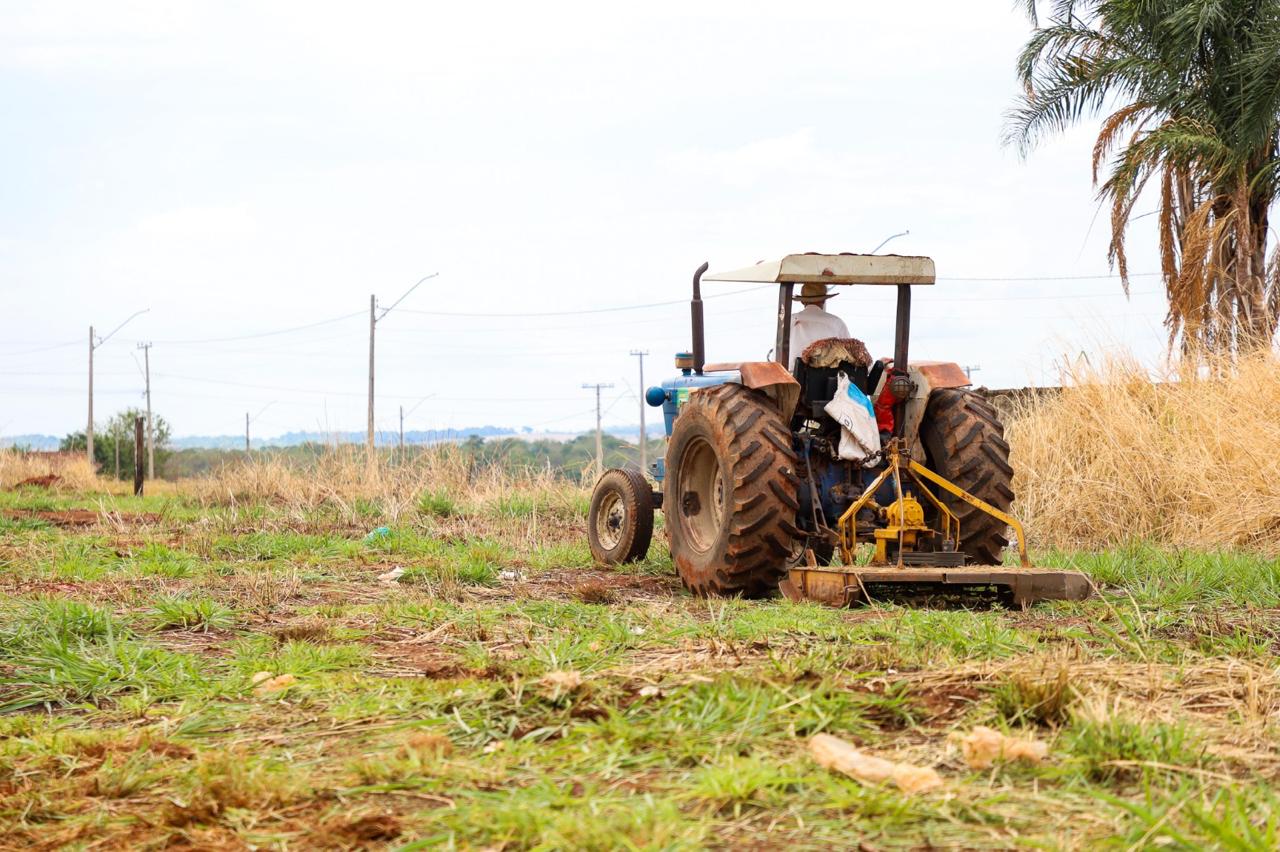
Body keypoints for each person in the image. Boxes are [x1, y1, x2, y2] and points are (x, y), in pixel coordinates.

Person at [787, 283, 850, 367]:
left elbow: (776, 354)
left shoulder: (790, 320)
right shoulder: (836, 322)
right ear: (824, 300)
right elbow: (849, 354)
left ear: (802, 301)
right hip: (828, 373)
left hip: (791, 373)